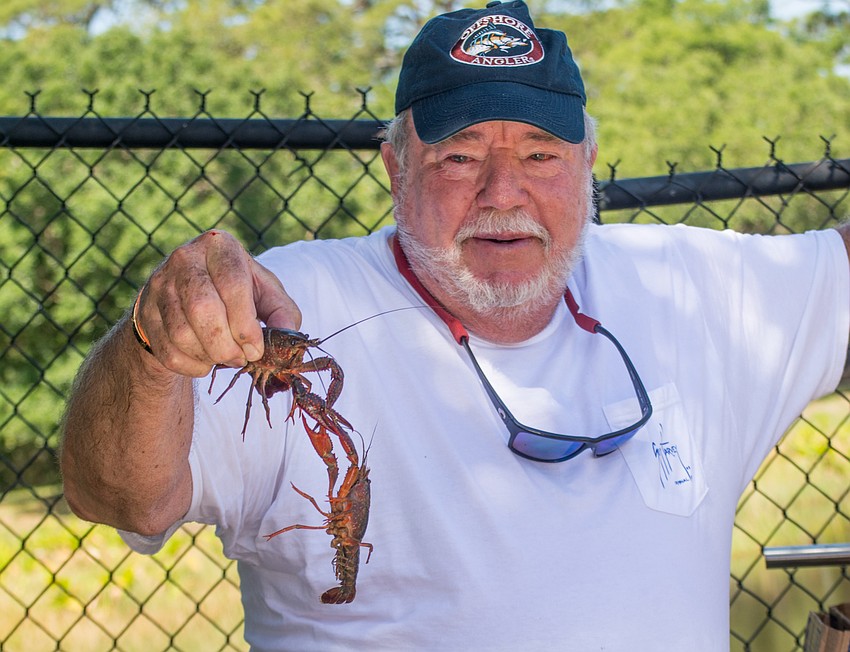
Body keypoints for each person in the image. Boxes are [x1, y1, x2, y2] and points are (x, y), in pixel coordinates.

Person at [59, 1, 850, 650]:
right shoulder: (284, 306)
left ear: (589, 164)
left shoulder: (687, 285)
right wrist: (152, 348)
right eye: (459, 158)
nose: (503, 192)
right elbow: (120, 497)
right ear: (395, 166)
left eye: (541, 155)